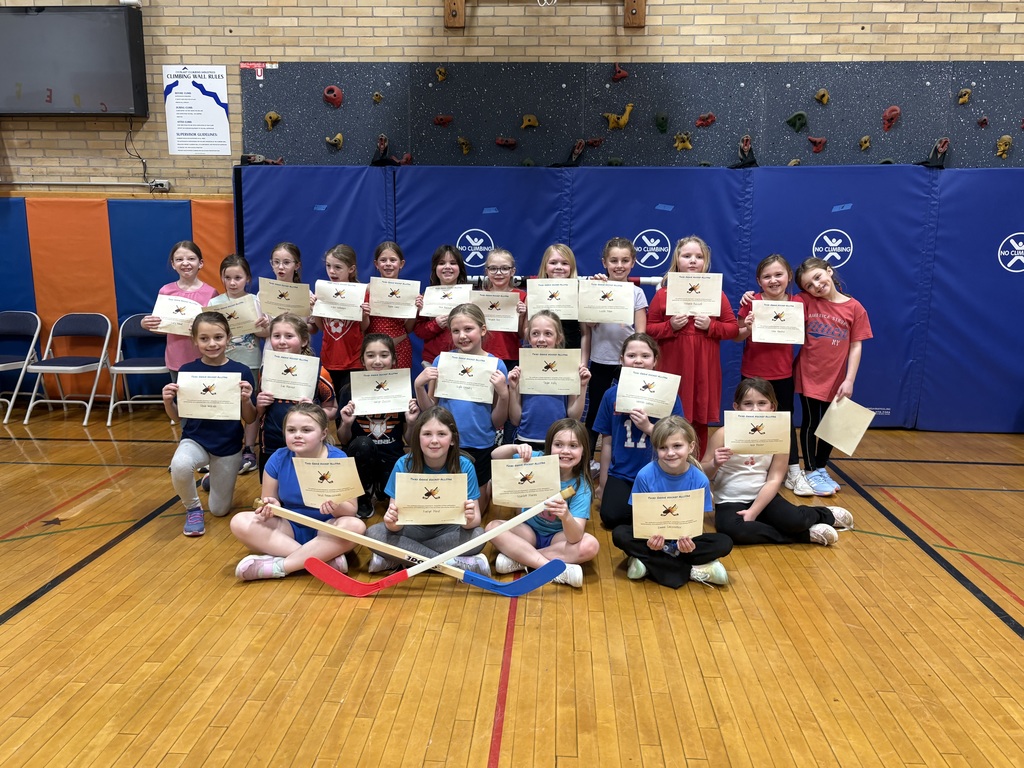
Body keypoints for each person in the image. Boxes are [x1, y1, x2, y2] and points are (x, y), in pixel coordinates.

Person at [702, 377, 854, 547]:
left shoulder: (779, 435)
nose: (755, 410)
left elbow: (775, 478)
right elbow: (703, 474)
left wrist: (754, 511)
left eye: (762, 403)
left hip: (764, 496)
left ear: (772, 407)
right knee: (735, 532)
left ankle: (823, 514)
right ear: (736, 407)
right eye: (748, 404)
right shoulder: (723, 435)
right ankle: (804, 536)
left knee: (795, 520)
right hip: (729, 500)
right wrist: (714, 464)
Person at [230, 403, 364, 580]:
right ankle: (324, 560)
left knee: (355, 526)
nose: (298, 435)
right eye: (291, 430)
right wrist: (272, 505)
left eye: (306, 430)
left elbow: (351, 510)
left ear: (323, 433)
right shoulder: (278, 458)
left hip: (327, 529)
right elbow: (267, 503)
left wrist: (335, 506)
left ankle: (283, 566)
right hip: (289, 529)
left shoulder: (339, 459)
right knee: (239, 521)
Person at [161, 312, 257, 537]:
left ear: (229, 337)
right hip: (195, 439)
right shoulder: (186, 371)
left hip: (228, 446)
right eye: (204, 338)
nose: (212, 344)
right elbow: (177, 418)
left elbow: (251, 418)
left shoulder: (241, 371)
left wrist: (245, 400)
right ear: (194, 340)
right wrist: (167, 401)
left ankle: (211, 479)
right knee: (181, 464)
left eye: (218, 337)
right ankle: (193, 509)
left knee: (219, 510)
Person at [364, 406, 489, 575]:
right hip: (411, 530)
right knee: (373, 533)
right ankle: (452, 565)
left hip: (448, 531)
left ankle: (401, 559)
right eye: (427, 434)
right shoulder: (403, 464)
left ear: (452, 439)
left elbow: (475, 521)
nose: (434, 440)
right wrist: (391, 523)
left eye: (442, 434)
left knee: (478, 535)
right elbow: (395, 525)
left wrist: (469, 518)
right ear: (418, 438)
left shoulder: (464, 465)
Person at [611, 416, 734, 588]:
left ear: (690, 447)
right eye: (663, 448)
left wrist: (687, 543)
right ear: (656, 449)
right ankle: (693, 569)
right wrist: (650, 540)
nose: (670, 453)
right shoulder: (645, 475)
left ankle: (647, 564)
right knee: (620, 534)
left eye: (677, 446)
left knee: (724, 542)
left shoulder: (700, 479)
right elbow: (640, 519)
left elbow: (695, 523)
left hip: (684, 540)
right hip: (653, 539)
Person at [646, 235, 738, 458]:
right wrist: (669, 326)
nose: (693, 261)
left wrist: (711, 326)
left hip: (703, 370)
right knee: (670, 417)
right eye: (687, 256)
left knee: (699, 418)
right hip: (672, 367)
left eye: (699, 256)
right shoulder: (662, 294)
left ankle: (697, 469)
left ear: (705, 262)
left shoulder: (717, 294)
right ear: (677, 259)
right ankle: (665, 463)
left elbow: (733, 329)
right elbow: (648, 330)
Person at [414, 303, 509, 515]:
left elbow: (497, 420)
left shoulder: (496, 365)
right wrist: (419, 387)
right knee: (447, 508)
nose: (462, 336)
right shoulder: (442, 361)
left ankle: (491, 484)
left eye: (468, 329)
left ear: (482, 330)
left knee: (476, 513)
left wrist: (504, 395)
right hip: (446, 445)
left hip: (479, 444)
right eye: (455, 331)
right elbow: (430, 411)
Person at [488, 418, 600, 588]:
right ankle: (552, 569)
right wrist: (515, 448)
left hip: (558, 538)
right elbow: (495, 456)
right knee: (491, 528)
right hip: (528, 532)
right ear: (549, 446)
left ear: (584, 451)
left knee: (590, 545)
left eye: (573, 446)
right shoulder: (537, 459)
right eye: (559, 444)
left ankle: (521, 560)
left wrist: (566, 516)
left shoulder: (582, 486)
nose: (565, 451)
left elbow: (575, 537)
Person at [793, 257, 873, 496]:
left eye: (818, 277)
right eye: (809, 285)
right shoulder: (805, 301)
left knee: (832, 426)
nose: (816, 286)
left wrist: (849, 380)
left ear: (829, 271)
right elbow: (778, 302)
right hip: (809, 372)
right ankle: (809, 471)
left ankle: (820, 467)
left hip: (836, 377)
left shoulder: (855, 308)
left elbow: (856, 346)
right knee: (811, 421)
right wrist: (750, 297)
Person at [732, 254, 807, 494]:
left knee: (784, 423)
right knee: (749, 423)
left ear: (788, 277)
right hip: (753, 374)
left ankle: (793, 471)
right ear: (758, 280)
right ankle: (744, 469)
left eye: (778, 275)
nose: (773, 280)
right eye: (767, 276)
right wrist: (748, 327)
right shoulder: (751, 301)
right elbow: (736, 335)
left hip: (782, 374)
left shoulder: (798, 303)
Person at [594, 333, 683, 529]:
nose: (638, 361)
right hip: (623, 474)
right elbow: (607, 442)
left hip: (660, 472)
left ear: (655, 361)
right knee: (610, 516)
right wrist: (603, 483)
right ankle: (649, 518)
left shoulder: (670, 397)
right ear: (622, 360)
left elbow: (679, 440)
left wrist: (649, 428)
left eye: (645, 356)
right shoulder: (610, 396)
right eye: (631, 355)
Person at [337, 333, 419, 519]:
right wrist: (346, 424)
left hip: (391, 455)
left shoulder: (404, 390)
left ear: (394, 359)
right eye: (370, 355)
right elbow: (343, 440)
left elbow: (408, 439)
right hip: (360, 454)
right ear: (362, 360)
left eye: (384, 355)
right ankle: (363, 493)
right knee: (362, 444)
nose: (377, 361)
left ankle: (381, 485)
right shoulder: (349, 390)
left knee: (394, 496)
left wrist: (412, 422)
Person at [584, 237, 648, 453]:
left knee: (630, 410)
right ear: (604, 262)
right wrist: (597, 294)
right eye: (614, 261)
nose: (619, 266)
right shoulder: (595, 286)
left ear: (633, 263)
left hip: (628, 364)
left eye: (624, 260)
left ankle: (625, 455)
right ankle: (586, 461)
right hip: (601, 359)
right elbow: (589, 323)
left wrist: (636, 359)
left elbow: (640, 334)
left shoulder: (637, 293)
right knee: (594, 411)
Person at [256, 313, 338, 478]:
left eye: (289, 336)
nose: (282, 341)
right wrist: (259, 404)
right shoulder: (265, 370)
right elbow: (259, 414)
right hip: (271, 442)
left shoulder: (318, 372)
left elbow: (332, 408)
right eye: (276, 336)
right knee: (273, 494)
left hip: (308, 444)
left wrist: (317, 410)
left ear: (304, 341)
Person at [208, 253, 269, 475]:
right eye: (228, 277)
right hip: (222, 363)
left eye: (238, 277)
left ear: (247, 279)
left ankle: (249, 449)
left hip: (250, 362)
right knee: (223, 406)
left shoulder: (254, 301)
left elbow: (265, 333)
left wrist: (258, 326)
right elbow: (208, 333)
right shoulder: (215, 303)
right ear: (222, 278)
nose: (233, 282)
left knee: (249, 406)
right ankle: (220, 449)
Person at [507, 310, 591, 452]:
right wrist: (513, 388)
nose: (541, 339)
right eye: (535, 333)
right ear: (528, 337)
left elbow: (573, 416)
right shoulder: (521, 371)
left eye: (548, 334)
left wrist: (583, 386)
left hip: (559, 443)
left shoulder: (567, 369)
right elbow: (515, 419)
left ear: (558, 338)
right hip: (526, 442)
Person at [142, 240, 218, 376]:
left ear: (200, 263)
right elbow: (161, 327)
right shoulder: (166, 291)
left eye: (191, 258)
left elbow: (217, 328)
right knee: (180, 396)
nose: (185, 263)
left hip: (206, 356)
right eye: (179, 259)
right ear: (173, 264)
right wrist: (147, 324)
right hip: (176, 357)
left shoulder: (211, 293)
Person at [311, 244, 364, 398]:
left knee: (349, 404)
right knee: (332, 404)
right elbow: (322, 327)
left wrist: (364, 313)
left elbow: (365, 328)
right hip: (330, 358)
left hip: (354, 360)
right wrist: (316, 310)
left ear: (351, 269)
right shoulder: (323, 291)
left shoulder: (360, 292)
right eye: (328, 266)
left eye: (338, 267)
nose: (332, 271)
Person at [361, 241, 415, 370]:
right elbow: (363, 328)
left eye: (393, 260)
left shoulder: (409, 292)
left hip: (400, 348)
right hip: (373, 351)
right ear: (376, 264)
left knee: (399, 388)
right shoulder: (367, 291)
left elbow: (408, 329)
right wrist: (364, 315)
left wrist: (415, 310)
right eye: (383, 260)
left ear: (401, 264)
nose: (388, 264)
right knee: (373, 387)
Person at [413, 244, 468, 367]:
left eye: (453, 263)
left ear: (460, 268)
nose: (447, 267)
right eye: (442, 263)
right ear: (435, 268)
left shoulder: (470, 297)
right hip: (432, 360)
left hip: (464, 358)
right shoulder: (425, 297)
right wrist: (435, 324)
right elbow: (419, 332)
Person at [538, 243, 590, 363]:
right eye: (553, 262)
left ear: (571, 268)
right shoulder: (535, 293)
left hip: (571, 356)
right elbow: (526, 330)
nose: (559, 267)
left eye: (565, 263)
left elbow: (585, 333)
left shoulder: (579, 293)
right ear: (545, 267)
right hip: (541, 356)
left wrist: (583, 363)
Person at [269, 242, 317, 333]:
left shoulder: (307, 294)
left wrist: (296, 328)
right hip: (271, 347)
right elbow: (260, 331)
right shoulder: (264, 293)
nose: (280, 267)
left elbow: (314, 328)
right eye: (276, 262)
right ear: (272, 264)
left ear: (297, 266)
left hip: (299, 346)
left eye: (286, 262)